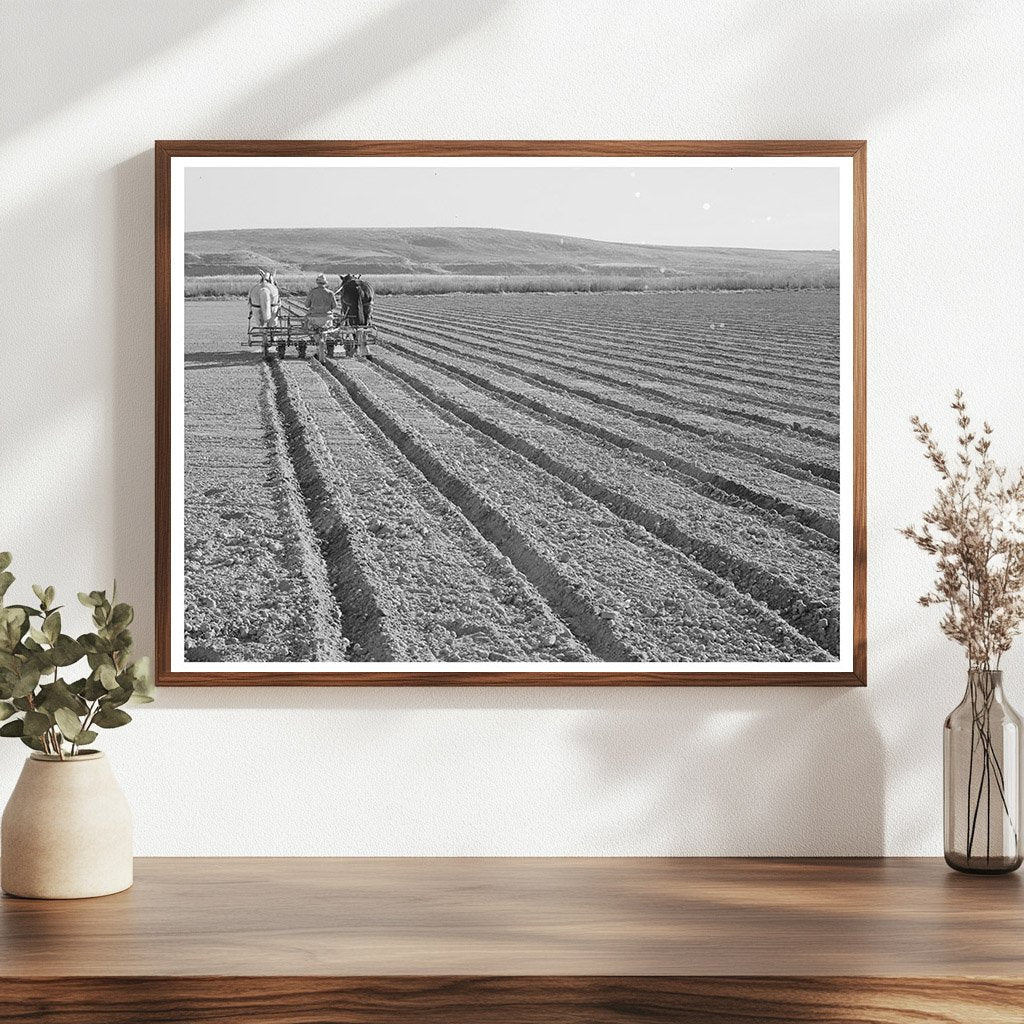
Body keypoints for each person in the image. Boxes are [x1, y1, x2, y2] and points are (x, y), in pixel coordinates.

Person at [339, 273, 373, 359]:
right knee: (365, 321)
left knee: (353, 319)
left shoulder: (346, 286)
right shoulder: (365, 285)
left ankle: (356, 345)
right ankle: (364, 346)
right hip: (367, 306)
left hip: (351, 311)